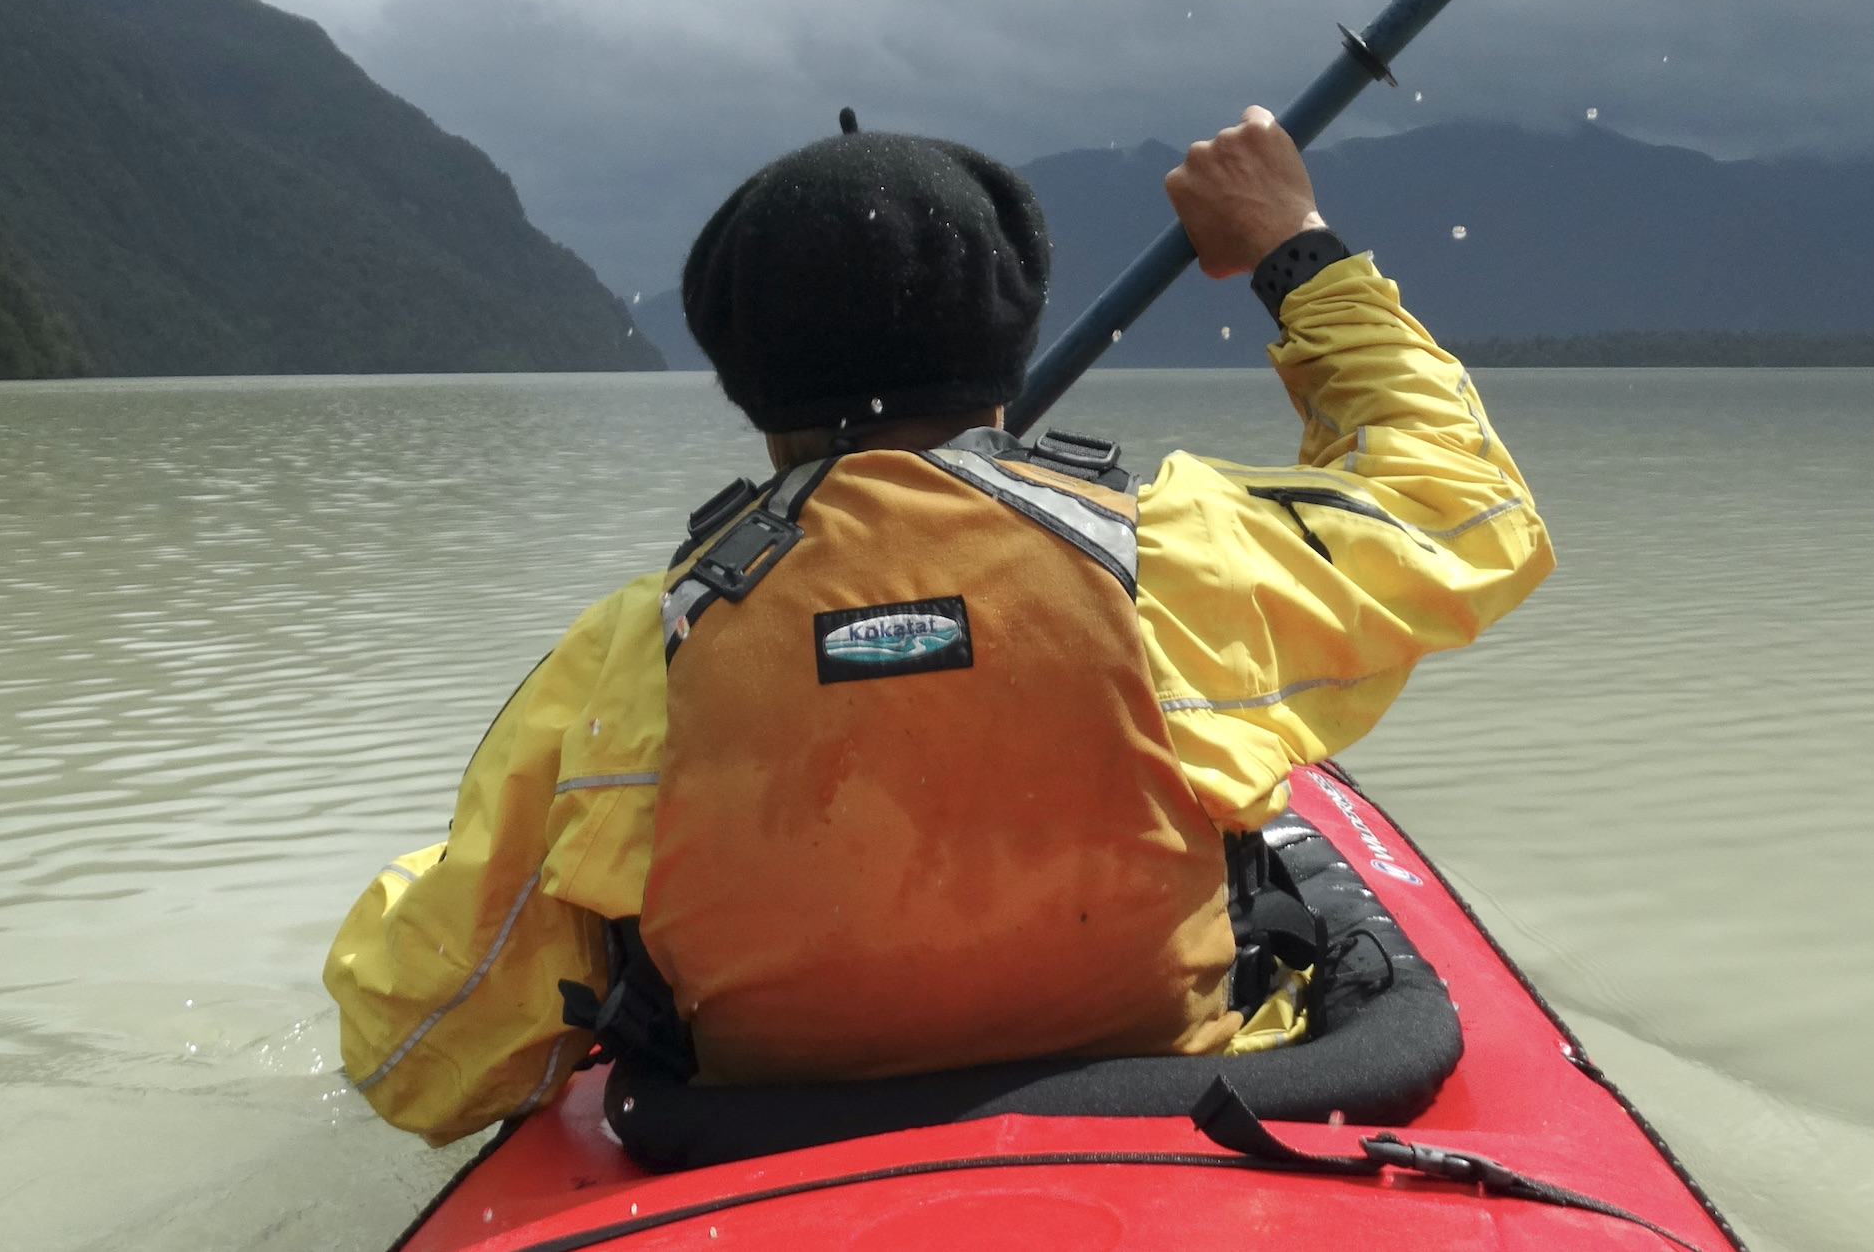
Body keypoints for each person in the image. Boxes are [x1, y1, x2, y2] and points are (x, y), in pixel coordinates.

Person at [325, 105, 1552, 1144]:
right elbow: (1470, 508)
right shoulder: (1180, 562)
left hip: (760, 1151)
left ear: (746, 384)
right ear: (1007, 359)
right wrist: (1297, 248)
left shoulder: (631, 660)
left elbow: (414, 1052)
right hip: (1181, 1115)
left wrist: (470, 886)